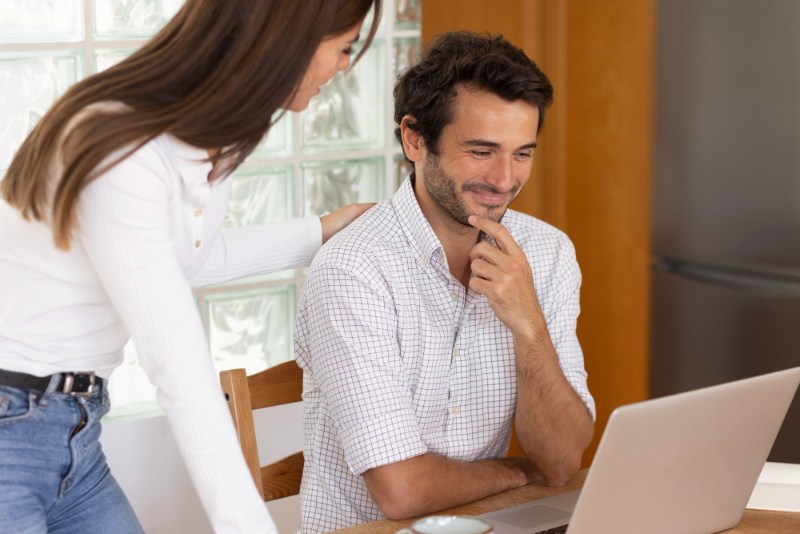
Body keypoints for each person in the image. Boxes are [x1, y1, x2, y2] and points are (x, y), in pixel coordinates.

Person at [0, 1, 382, 532]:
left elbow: (186, 263)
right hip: (13, 428)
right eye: (343, 47)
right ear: (290, 38)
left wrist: (322, 230)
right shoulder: (122, 145)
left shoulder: (205, 140)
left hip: (74, 431)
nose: (345, 65)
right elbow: (175, 363)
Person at [294, 31, 596, 533]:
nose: (504, 179)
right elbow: (403, 490)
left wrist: (529, 327)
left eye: (522, 153)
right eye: (481, 151)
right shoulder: (354, 268)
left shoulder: (548, 253)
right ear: (415, 139)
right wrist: (518, 472)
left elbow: (561, 462)